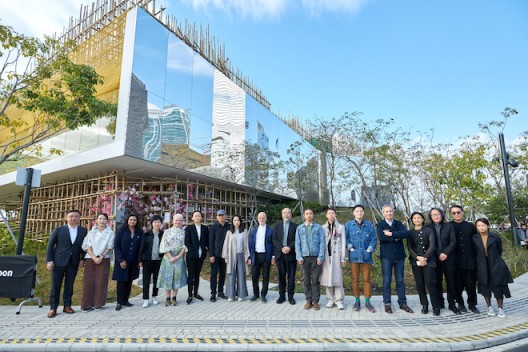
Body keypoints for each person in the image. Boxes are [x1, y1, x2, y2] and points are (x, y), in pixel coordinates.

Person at [46, 209, 88, 318]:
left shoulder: (83, 231)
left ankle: (67, 305)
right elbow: (50, 246)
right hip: (58, 262)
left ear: (79, 218)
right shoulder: (59, 230)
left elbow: (85, 247)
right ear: (66, 218)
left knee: (69, 285)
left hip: (73, 262)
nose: (73, 218)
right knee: (55, 286)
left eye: (76, 216)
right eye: (71, 216)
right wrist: (49, 261)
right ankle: (53, 308)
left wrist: (82, 259)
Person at [473, 218, 513, 318]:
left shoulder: (495, 237)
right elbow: (474, 252)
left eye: (483, 225)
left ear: (488, 226)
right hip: (482, 266)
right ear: (476, 227)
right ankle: (489, 307)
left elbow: (500, 250)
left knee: (498, 288)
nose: (481, 227)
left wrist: (493, 258)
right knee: (485, 287)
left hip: (496, 265)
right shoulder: (474, 238)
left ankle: (500, 308)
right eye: (479, 226)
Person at [376, 204, 412, 314]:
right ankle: (387, 303)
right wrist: (397, 237)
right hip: (387, 256)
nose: (389, 213)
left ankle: (402, 302)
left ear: (393, 212)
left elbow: (406, 234)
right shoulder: (380, 225)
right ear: (383, 213)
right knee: (387, 281)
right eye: (386, 211)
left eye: (390, 211)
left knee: (400, 280)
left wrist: (392, 234)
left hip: (399, 256)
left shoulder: (398, 223)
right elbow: (382, 238)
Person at [426, 207, 459, 314]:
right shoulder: (427, 227)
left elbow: (453, 241)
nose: (436, 216)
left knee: (451, 281)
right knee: (436, 282)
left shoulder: (449, 226)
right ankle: (439, 303)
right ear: (430, 217)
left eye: (438, 214)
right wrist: (439, 253)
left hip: (449, 258)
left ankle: (452, 304)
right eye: (433, 215)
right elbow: (429, 244)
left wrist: (445, 253)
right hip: (434, 259)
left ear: (442, 215)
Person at [345, 204, 377, 313]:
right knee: (355, 279)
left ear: (363, 213)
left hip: (366, 257)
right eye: (357, 211)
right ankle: (357, 301)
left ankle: (367, 302)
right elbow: (346, 239)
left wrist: (369, 250)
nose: (359, 213)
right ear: (353, 213)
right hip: (354, 257)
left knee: (367, 280)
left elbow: (373, 239)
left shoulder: (369, 225)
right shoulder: (349, 225)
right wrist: (350, 248)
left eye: (361, 211)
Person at [408, 212, 441, 316]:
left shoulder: (428, 230)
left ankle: (436, 306)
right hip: (415, 260)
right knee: (420, 284)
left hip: (429, 260)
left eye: (419, 218)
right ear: (412, 220)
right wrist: (418, 257)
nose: (417, 220)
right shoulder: (410, 232)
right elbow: (410, 247)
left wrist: (425, 257)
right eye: (415, 218)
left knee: (431, 283)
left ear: (422, 219)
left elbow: (432, 245)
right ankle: (425, 305)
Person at [80, 213, 114, 312]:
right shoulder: (91, 232)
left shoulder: (110, 232)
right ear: (96, 220)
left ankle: (98, 304)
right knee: (88, 281)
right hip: (91, 258)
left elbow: (110, 246)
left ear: (107, 221)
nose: (102, 221)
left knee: (101, 281)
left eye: (104, 219)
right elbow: (86, 246)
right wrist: (94, 257)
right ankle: (86, 304)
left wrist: (102, 256)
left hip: (104, 258)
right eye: (100, 219)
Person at [450, 205, 480, 314]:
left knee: (471, 284)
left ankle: (472, 304)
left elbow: (476, 242)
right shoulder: (449, 226)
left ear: (462, 212)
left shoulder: (470, 226)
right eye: (454, 213)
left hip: (470, 260)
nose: (456, 214)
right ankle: (460, 304)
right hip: (455, 261)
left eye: (458, 212)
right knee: (458, 285)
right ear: (451, 214)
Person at [295, 208, 325, 310]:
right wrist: (299, 256)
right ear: (304, 216)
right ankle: (308, 300)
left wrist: (320, 257)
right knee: (307, 280)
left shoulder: (318, 228)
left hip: (316, 258)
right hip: (304, 258)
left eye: (310, 213)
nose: (308, 215)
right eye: (307, 214)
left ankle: (316, 301)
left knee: (315, 280)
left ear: (313, 215)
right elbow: (297, 243)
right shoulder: (300, 228)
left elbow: (322, 243)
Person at [112, 214, 143, 311]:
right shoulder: (121, 231)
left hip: (133, 261)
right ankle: (119, 302)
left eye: (134, 220)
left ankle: (126, 300)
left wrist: (139, 261)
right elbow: (116, 246)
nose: (132, 221)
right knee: (121, 282)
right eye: (131, 220)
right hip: (122, 261)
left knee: (129, 281)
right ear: (127, 220)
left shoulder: (139, 232)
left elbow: (140, 247)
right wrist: (121, 260)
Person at [157, 213, 187, 306]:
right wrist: (170, 256)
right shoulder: (167, 232)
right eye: (176, 220)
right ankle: (167, 298)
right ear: (173, 220)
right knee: (168, 277)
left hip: (179, 257)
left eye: (180, 220)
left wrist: (179, 256)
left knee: (176, 277)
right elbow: (163, 244)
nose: (178, 222)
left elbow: (185, 245)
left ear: (182, 221)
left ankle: (174, 298)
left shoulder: (184, 232)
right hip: (168, 258)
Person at [321, 208, 347, 310]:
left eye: (333, 213)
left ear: (335, 215)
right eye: (329, 213)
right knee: (328, 278)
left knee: (337, 278)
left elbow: (343, 243)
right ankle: (330, 299)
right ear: (326, 215)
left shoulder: (341, 227)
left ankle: (339, 300)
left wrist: (343, 259)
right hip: (327, 256)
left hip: (337, 257)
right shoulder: (322, 228)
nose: (331, 215)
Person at [272, 208, 298, 305]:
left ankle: (291, 297)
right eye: (284, 213)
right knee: (281, 276)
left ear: (291, 215)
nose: (286, 214)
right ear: (281, 214)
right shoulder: (277, 226)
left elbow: (297, 239)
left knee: (291, 277)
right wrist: (282, 248)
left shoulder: (295, 226)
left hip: (291, 255)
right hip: (280, 255)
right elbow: (274, 239)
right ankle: (281, 296)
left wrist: (289, 248)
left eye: (288, 213)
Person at [248, 212, 275, 303]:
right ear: (257, 219)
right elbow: (250, 244)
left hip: (266, 256)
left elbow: (273, 244)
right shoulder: (254, 230)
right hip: (255, 255)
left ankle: (263, 295)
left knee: (265, 276)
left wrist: (273, 256)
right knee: (254, 276)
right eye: (260, 218)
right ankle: (256, 294)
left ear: (266, 218)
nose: (261, 220)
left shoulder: (270, 230)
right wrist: (249, 256)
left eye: (263, 218)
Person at [222, 215, 249, 302]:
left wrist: (246, 256)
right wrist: (226, 257)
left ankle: (241, 295)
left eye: (238, 220)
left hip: (241, 255)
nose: (236, 222)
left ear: (240, 221)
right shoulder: (229, 232)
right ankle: (231, 295)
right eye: (235, 220)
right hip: (231, 256)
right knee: (231, 275)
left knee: (241, 275)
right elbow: (225, 245)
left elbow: (246, 245)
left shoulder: (244, 231)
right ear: (232, 222)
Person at [138, 215, 164, 308]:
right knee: (146, 280)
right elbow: (142, 247)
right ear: (152, 223)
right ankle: (145, 299)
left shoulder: (163, 234)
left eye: (158, 222)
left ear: (161, 223)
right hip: (147, 260)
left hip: (158, 260)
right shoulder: (146, 234)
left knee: (157, 280)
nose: (157, 224)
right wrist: (140, 260)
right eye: (155, 222)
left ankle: (154, 297)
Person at [185, 211, 209, 304]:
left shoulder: (205, 228)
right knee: (191, 276)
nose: (197, 217)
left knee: (197, 275)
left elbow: (207, 240)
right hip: (191, 256)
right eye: (195, 216)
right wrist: (192, 250)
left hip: (201, 255)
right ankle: (190, 295)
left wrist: (206, 248)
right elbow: (187, 241)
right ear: (192, 218)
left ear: (201, 217)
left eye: (199, 216)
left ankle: (196, 293)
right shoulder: (189, 228)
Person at [209, 209, 230, 302]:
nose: (221, 217)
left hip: (225, 255)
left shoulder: (229, 226)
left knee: (222, 274)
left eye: (223, 215)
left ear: (226, 216)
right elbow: (210, 242)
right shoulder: (213, 227)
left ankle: (220, 292)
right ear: (217, 217)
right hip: (215, 255)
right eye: (219, 215)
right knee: (214, 274)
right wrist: (211, 255)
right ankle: (213, 293)